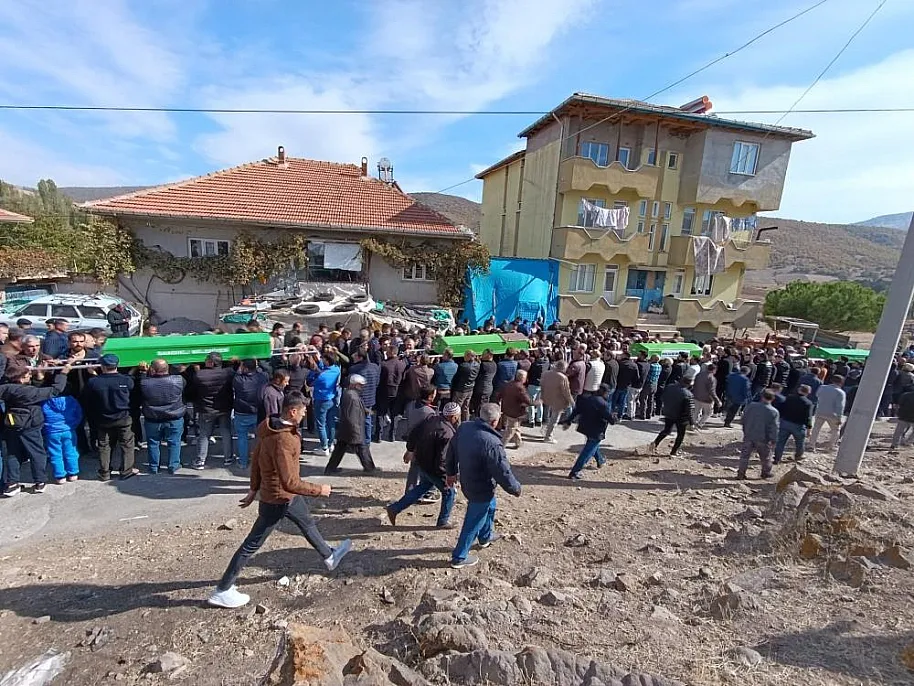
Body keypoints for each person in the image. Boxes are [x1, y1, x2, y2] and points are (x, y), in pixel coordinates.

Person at [208, 392, 351, 609]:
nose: (305, 414)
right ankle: (223, 589)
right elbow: (289, 482)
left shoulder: (270, 428)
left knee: (307, 522)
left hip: (284, 496)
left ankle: (329, 555)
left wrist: (253, 488)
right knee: (251, 544)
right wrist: (319, 490)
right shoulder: (283, 439)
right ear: (292, 412)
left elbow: (257, 459)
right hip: (277, 499)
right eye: (303, 411)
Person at [445, 403, 522, 569]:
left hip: (468, 480)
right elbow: (502, 471)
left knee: (490, 506)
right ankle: (459, 557)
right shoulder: (492, 442)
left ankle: (485, 537)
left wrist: (450, 472)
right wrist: (515, 488)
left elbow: (451, 450)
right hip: (481, 487)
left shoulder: (465, 428)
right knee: (474, 520)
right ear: (494, 421)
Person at [387, 403, 460, 528]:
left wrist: (410, 449)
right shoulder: (448, 433)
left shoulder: (430, 419)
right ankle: (443, 521)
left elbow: (414, 433)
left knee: (423, 487)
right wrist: (447, 476)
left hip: (422, 463)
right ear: (454, 417)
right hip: (434, 469)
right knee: (449, 492)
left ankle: (395, 508)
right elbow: (443, 459)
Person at [0, 364, 69, 496]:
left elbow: (34, 389)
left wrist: (39, 376)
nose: (29, 376)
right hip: (30, 425)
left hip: (12, 424)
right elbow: (55, 390)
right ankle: (40, 481)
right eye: (27, 375)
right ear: (21, 379)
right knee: (37, 453)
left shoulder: (5, 388)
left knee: (13, 454)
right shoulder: (27, 392)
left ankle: (12, 483)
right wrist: (63, 373)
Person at [83, 354, 138, 481]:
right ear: (117, 365)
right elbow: (131, 384)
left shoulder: (94, 382)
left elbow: (87, 398)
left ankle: (104, 473)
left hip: (103, 419)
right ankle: (126, 471)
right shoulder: (126, 381)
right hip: (123, 418)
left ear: (102, 366)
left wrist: (93, 374)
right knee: (127, 444)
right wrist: (134, 369)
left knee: (104, 445)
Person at [140, 359, 187, 474]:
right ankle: (173, 465)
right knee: (174, 442)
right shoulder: (179, 380)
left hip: (153, 418)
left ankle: (154, 467)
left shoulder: (145, 382)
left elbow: (141, 384)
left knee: (153, 443)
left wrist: (144, 372)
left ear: (152, 369)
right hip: (174, 417)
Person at [188, 352, 234, 469]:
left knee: (204, 435)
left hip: (206, 409)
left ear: (211, 363)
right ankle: (228, 458)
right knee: (226, 432)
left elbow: (192, 391)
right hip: (224, 408)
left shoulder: (200, 375)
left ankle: (200, 460)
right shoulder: (228, 373)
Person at [324, 374, 376, 474]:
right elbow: (351, 415)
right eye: (360, 385)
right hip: (353, 429)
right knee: (362, 448)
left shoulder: (350, 394)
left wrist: (365, 410)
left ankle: (330, 468)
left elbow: (355, 408)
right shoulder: (352, 396)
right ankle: (370, 468)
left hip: (347, 428)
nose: (362, 387)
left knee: (340, 449)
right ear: (354, 384)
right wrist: (356, 432)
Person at [563, 384, 615, 480]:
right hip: (596, 430)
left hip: (585, 427)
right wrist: (614, 417)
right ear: (605, 393)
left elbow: (576, 410)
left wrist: (568, 421)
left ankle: (600, 460)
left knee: (593, 445)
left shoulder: (587, 399)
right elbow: (611, 420)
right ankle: (575, 472)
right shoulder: (604, 404)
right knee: (587, 451)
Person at [232, 359, 268, 468]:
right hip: (258, 412)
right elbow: (266, 371)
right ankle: (260, 461)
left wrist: (239, 365)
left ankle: (243, 462)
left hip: (242, 413)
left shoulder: (238, 380)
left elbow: (236, 374)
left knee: (242, 438)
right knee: (260, 438)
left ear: (245, 368)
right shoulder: (262, 377)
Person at [41, 390, 84, 483]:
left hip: (51, 432)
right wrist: (74, 425)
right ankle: (73, 473)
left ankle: (60, 476)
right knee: (71, 451)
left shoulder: (45, 402)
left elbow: (41, 417)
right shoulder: (71, 400)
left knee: (55, 454)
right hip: (69, 430)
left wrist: (45, 428)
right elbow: (79, 414)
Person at [737, 390, 779, 480]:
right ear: (773, 399)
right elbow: (774, 428)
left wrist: (745, 430)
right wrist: (774, 440)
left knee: (744, 456)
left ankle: (741, 473)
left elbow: (743, 419)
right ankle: (765, 473)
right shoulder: (773, 411)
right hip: (763, 438)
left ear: (762, 396)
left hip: (749, 435)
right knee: (766, 458)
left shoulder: (751, 406)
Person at [308, 352, 341, 457]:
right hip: (332, 399)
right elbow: (323, 369)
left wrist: (313, 369)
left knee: (321, 425)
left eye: (323, 359)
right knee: (331, 423)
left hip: (321, 400)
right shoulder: (336, 369)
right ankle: (330, 444)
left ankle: (324, 447)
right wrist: (318, 360)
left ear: (327, 360)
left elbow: (310, 382)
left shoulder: (321, 376)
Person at [651, 377, 694, 457]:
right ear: (688, 384)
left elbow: (662, 397)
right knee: (680, 435)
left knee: (667, 430)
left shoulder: (670, 387)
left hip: (669, 413)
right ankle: (674, 452)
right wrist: (692, 422)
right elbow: (689, 410)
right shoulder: (688, 394)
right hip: (681, 417)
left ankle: (655, 444)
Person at [774, 384, 814, 464]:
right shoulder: (808, 403)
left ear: (799, 390)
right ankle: (798, 456)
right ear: (808, 393)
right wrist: (809, 429)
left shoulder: (789, 397)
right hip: (798, 426)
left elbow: (782, 408)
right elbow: (808, 418)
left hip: (785, 422)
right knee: (800, 442)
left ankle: (777, 458)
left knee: (781, 441)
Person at [810, 375, 846, 453]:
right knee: (835, 430)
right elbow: (840, 406)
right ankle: (831, 446)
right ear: (841, 383)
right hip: (833, 414)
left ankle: (811, 445)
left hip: (820, 411)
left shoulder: (822, 387)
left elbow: (817, 395)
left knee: (816, 429)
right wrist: (839, 418)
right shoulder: (841, 392)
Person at [498, 369, 531, 449]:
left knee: (516, 427)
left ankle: (518, 443)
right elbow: (527, 401)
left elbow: (500, 394)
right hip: (515, 412)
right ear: (523, 378)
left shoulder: (508, 384)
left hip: (507, 409)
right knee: (510, 430)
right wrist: (536, 402)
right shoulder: (520, 387)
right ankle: (500, 447)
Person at [450, 350, 480, 422]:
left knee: (457, 408)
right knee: (466, 408)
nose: (464, 356)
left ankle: (457, 424)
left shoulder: (463, 366)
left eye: (465, 355)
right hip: (470, 389)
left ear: (469, 356)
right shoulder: (477, 365)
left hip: (461, 389)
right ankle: (466, 422)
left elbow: (456, 378)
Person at [692, 362, 720, 429]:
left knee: (696, 411)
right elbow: (712, 391)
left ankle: (692, 424)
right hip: (706, 399)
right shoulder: (712, 378)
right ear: (714, 370)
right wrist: (718, 401)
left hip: (697, 396)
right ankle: (700, 424)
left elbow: (694, 385)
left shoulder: (699, 375)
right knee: (708, 413)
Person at [613, 352, 641, 419]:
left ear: (624, 356)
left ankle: (611, 414)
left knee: (614, 400)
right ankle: (620, 415)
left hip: (617, 384)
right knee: (623, 401)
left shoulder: (619, 363)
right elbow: (637, 377)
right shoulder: (634, 365)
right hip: (627, 385)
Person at [526, 348, 549, 427]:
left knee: (531, 403)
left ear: (540, 354)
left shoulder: (535, 364)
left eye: (537, 352)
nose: (535, 353)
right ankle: (539, 420)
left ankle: (531, 421)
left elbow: (530, 374)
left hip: (533, 384)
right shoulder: (547, 363)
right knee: (540, 403)